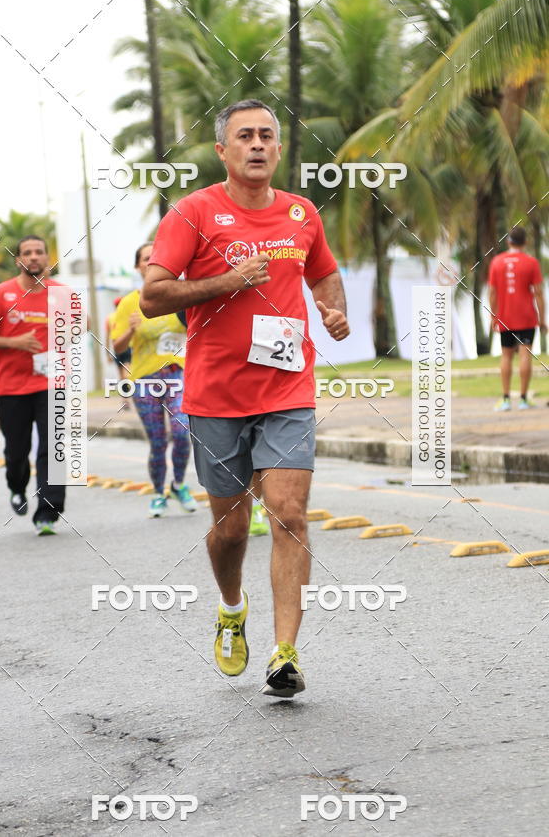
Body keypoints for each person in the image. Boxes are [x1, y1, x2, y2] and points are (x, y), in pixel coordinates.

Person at [141, 98, 349, 698]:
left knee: (289, 511)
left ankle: (286, 654)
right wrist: (228, 282)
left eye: (267, 136)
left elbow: (323, 270)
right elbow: (154, 296)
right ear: (223, 151)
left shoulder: (301, 213)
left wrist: (332, 308)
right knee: (231, 530)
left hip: (287, 388)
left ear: (279, 149)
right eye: (245, 137)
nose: (257, 145)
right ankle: (232, 607)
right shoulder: (193, 212)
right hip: (215, 395)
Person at [0, 235, 66, 535]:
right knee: (17, 451)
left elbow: (86, 324)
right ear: (18, 260)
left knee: (53, 446)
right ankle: (16, 486)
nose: (33, 257)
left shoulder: (60, 293)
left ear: (47, 259)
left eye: (39, 252)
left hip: (51, 383)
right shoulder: (2, 294)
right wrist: (15, 342)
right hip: (11, 387)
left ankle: (47, 512)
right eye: (27, 253)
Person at [111, 242, 197, 517]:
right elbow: (117, 346)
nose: (151, 262)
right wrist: (131, 330)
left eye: (155, 257)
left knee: (182, 432)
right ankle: (159, 493)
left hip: (178, 375)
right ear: (138, 266)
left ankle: (179, 484)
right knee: (158, 441)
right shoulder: (128, 303)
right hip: (145, 380)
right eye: (146, 259)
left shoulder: (178, 294)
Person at [488, 225, 546, 411]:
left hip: (505, 316)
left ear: (508, 241)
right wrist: (542, 319)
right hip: (527, 317)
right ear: (525, 242)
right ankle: (523, 399)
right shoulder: (531, 262)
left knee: (505, 355)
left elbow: (492, 292)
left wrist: (493, 316)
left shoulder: (497, 262)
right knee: (525, 354)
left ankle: (505, 399)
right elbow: (538, 293)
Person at [105, 298, 132, 409]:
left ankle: (125, 400)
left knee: (123, 376)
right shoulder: (127, 316)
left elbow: (107, 338)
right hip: (126, 347)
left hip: (117, 348)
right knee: (126, 375)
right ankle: (126, 399)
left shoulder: (109, 318)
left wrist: (107, 354)